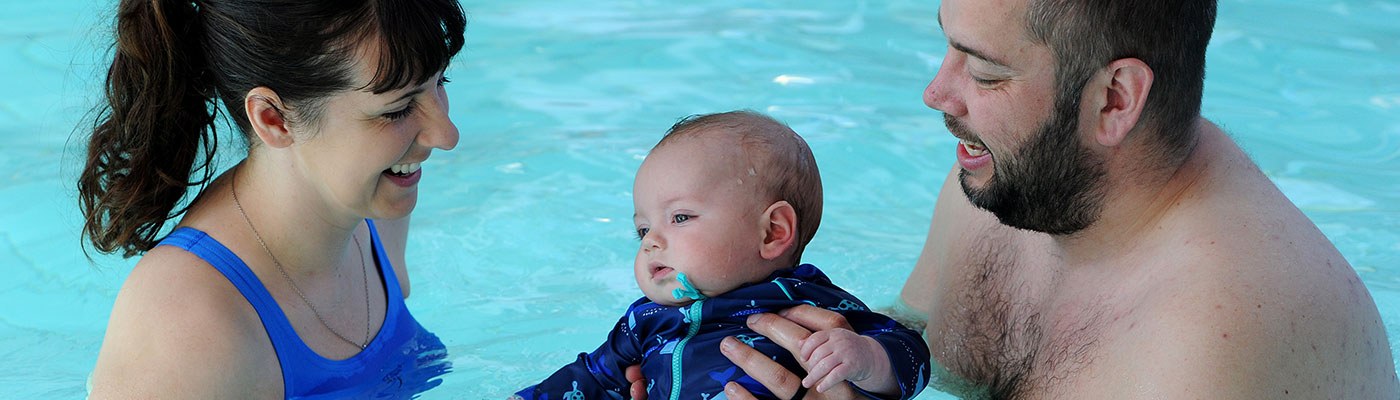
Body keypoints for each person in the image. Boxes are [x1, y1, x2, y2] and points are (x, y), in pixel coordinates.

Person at [680, 0, 1400, 399]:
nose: (937, 93)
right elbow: (904, 338)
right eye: (950, 48)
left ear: (1114, 99)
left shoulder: (1215, 344)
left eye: (986, 73)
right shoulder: (1007, 181)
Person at [80, 0, 466, 398]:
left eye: (441, 82)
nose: (447, 134)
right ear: (273, 119)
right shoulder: (185, 328)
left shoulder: (377, 206)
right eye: (398, 110)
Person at [513, 111, 929, 400]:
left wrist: (866, 359)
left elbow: (911, 353)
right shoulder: (645, 320)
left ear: (772, 232)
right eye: (642, 229)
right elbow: (591, 377)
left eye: (680, 217)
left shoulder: (807, 301)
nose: (650, 241)